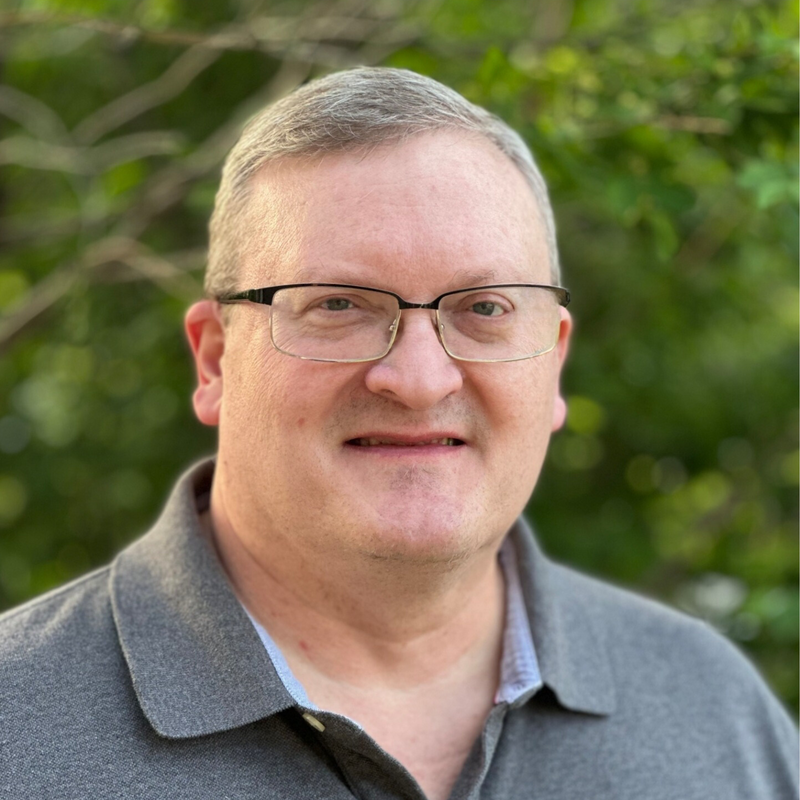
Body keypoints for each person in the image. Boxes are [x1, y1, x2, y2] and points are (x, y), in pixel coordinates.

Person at [0, 67, 796, 800]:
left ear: (552, 364)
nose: (419, 380)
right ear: (215, 361)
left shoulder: (714, 712)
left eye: (484, 309)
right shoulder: (17, 730)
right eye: (338, 305)